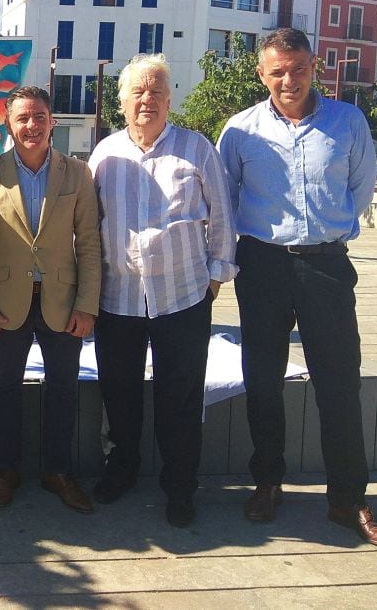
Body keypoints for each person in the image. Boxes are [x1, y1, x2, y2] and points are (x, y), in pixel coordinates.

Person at [217, 28, 377, 549]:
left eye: (297, 68)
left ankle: (348, 500)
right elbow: (226, 199)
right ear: (262, 73)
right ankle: (267, 484)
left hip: (326, 267)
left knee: (340, 385)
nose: (288, 79)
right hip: (262, 266)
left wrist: (332, 228)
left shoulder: (348, 122)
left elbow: (360, 187)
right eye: (277, 70)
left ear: (313, 65)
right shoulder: (240, 130)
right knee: (263, 381)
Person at [88, 53, 237, 528]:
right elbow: (89, 226)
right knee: (120, 391)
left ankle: (179, 485)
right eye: (138, 91)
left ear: (170, 99)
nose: (147, 99)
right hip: (119, 299)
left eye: (156, 91)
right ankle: (123, 469)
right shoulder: (104, 154)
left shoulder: (197, 150)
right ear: (123, 101)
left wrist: (215, 276)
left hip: (184, 296)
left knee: (181, 396)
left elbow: (223, 218)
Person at [0, 87, 101, 511]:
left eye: (39, 117)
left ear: (52, 122)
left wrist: (87, 305)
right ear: (9, 124)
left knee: (63, 389)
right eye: (23, 118)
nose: (32, 125)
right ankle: (6, 471)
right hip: (7, 302)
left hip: (63, 300)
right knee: (5, 388)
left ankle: (57, 472)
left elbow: (91, 244)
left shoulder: (78, 173)